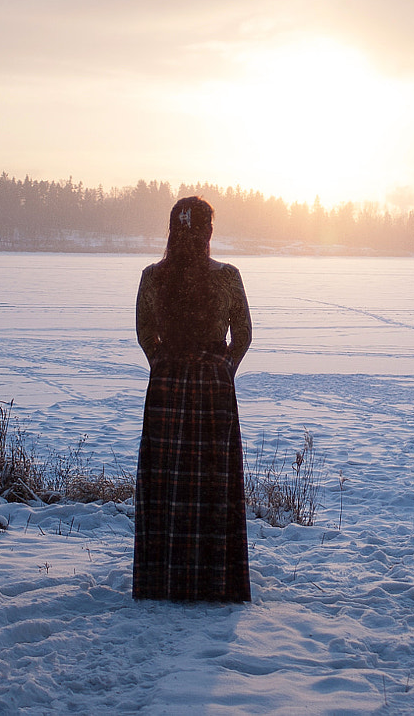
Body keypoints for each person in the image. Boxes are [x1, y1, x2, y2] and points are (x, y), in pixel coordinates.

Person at [132, 196, 253, 602]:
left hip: (166, 386)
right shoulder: (227, 276)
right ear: (208, 232)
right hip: (214, 389)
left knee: (167, 482)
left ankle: (162, 579)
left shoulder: (153, 276)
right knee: (212, 482)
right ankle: (214, 581)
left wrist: (163, 366)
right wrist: (222, 370)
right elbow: (244, 336)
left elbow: (145, 332)